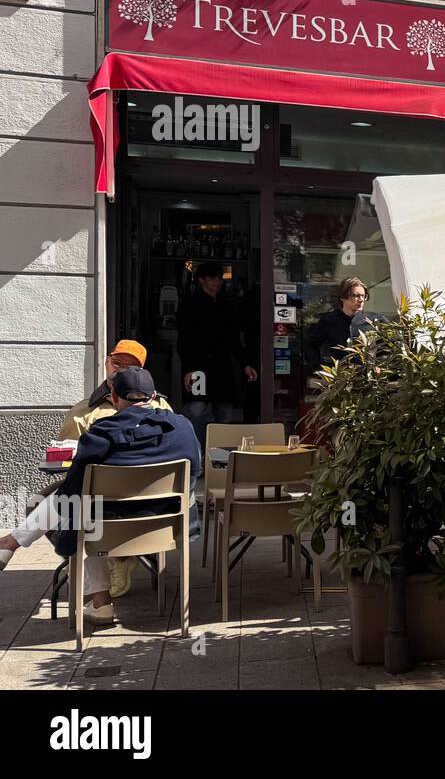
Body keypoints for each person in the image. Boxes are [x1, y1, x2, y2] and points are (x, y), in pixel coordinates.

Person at [0, 368, 201, 626]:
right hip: (167, 526)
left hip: (108, 532)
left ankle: (100, 602)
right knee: (83, 508)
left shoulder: (100, 433)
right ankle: (11, 543)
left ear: (114, 396)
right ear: (153, 396)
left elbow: (71, 491)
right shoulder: (182, 427)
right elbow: (196, 471)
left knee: (79, 511)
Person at [177, 261, 258, 448]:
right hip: (199, 366)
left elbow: (234, 340)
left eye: (219, 278)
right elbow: (184, 341)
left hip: (223, 366)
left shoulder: (226, 304)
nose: (217, 282)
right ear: (201, 280)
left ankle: (218, 460)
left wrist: (245, 364)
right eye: (213, 278)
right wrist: (189, 369)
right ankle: (197, 455)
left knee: (224, 413)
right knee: (197, 409)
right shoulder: (191, 305)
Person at [58, 340, 173, 440]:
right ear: (107, 362)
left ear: (140, 371)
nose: (122, 370)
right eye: (117, 363)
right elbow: (67, 460)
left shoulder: (160, 406)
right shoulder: (81, 414)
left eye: (130, 367)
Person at [307, 277, 368, 369]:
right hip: (338, 377)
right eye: (356, 296)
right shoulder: (329, 321)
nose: (361, 300)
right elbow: (311, 344)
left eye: (363, 296)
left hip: (365, 378)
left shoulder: (373, 320)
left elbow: (389, 345)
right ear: (343, 297)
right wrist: (320, 367)